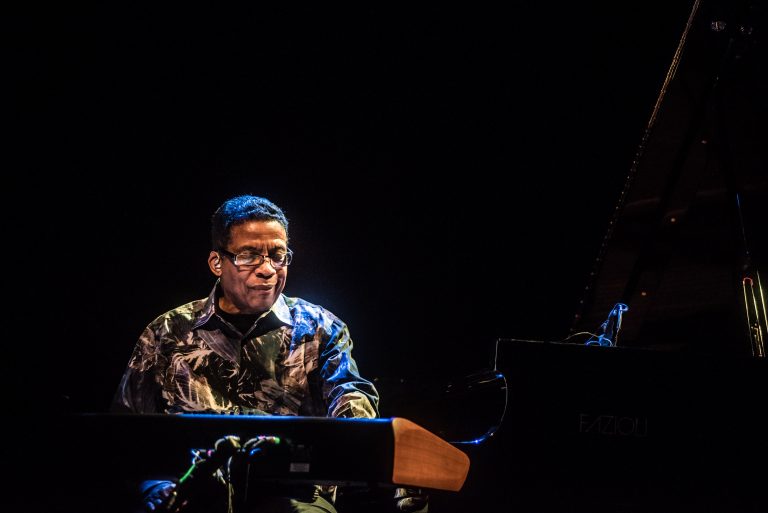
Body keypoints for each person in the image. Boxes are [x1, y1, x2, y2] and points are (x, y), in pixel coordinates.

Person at [111, 194, 427, 512]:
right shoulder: (166, 331)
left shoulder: (321, 328)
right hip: (191, 492)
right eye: (249, 256)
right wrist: (156, 487)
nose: (267, 269)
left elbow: (353, 412)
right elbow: (124, 434)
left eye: (278, 256)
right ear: (216, 262)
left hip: (295, 496)